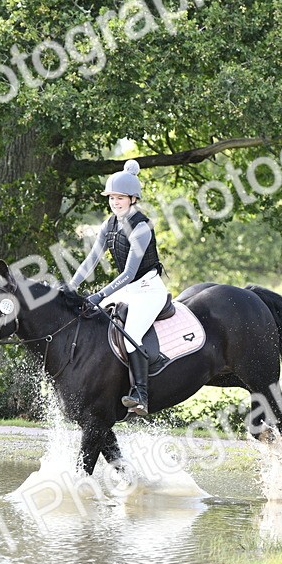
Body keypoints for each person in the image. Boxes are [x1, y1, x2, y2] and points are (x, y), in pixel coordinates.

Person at [67, 159, 168, 415]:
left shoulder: (141, 227)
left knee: (131, 334)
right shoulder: (108, 225)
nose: (115, 202)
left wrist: (100, 294)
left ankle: (141, 394)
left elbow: (130, 273)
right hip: (128, 289)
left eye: (120, 197)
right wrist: (71, 286)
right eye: (112, 197)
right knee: (88, 317)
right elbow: (91, 260)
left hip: (147, 289)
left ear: (133, 199)